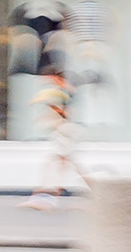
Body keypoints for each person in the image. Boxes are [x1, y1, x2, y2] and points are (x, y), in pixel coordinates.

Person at [18, 71, 86, 210]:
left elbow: (65, 113)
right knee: (64, 165)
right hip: (64, 132)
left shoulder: (65, 93)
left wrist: (51, 114)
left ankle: (43, 198)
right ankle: (50, 198)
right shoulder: (63, 92)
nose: (46, 80)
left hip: (66, 132)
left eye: (50, 77)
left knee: (53, 163)